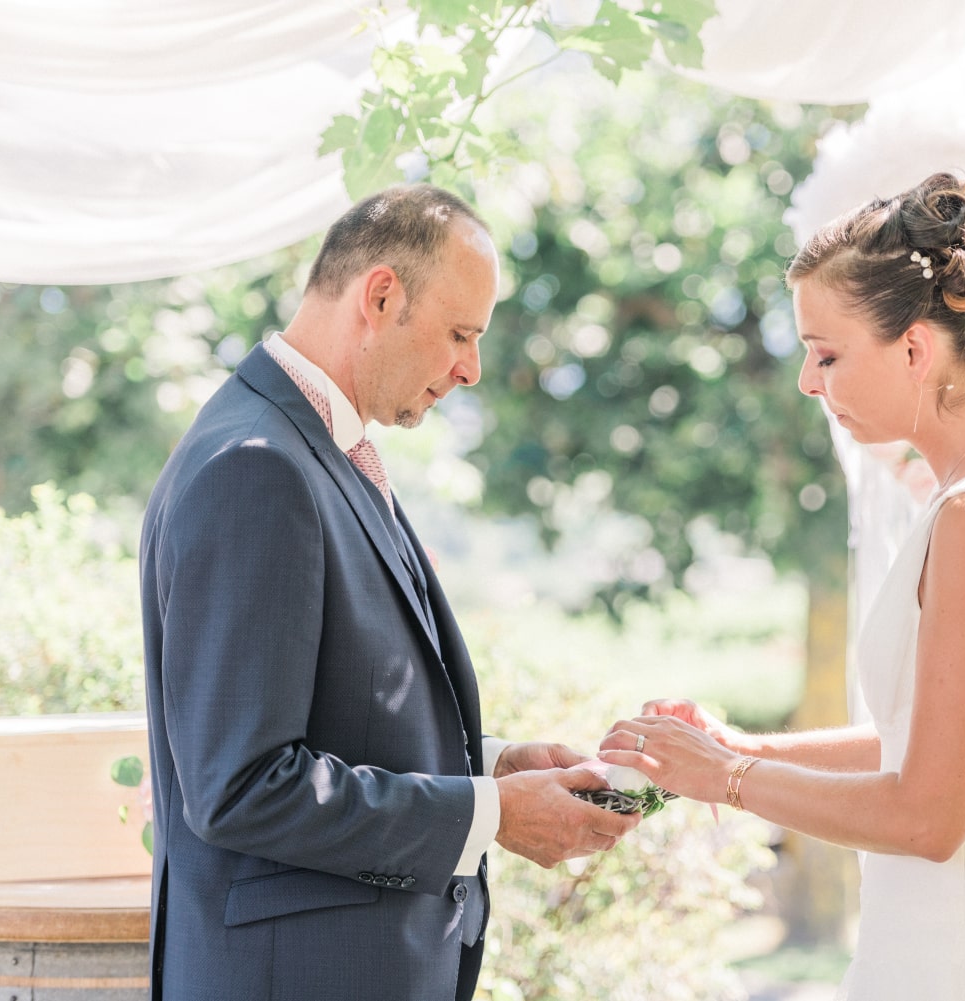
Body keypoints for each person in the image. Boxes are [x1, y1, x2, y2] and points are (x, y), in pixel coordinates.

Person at [600, 172, 965, 998]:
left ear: (915, 348)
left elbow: (928, 816)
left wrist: (723, 780)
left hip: (960, 960)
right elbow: (941, 738)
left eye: (827, 355)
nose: (810, 383)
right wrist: (740, 744)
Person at [139, 183, 638, 1001]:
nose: (471, 369)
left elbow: (337, 720)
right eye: (460, 334)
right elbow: (241, 786)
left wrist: (492, 767)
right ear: (380, 296)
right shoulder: (256, 467)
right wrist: (493, 814)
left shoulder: (318, 450)